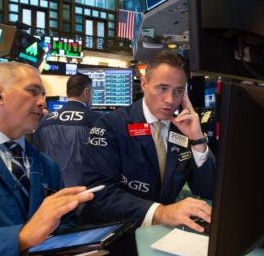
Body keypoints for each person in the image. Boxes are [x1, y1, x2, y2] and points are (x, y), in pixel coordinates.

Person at [0, 62, 95, 256]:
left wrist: (67, 251)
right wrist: (21, 238)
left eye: (43, 94)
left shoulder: (48, 166)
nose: (43, 102)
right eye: (33, 92)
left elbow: (65, 223)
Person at [80, 50, 216, 231]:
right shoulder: (111, 126)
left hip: (163, 236)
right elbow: (98, 194)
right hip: (119, 235)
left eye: (178, 91)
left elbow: (207, 190)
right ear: (144, 84)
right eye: (162, 88)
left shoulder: (183, 129)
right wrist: (162, 212)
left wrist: (198, 139)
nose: (170, 100)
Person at [34, 74, 101, 186]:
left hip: (52, 191)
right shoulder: (97, 120)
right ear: (86, 92)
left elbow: (36, 156)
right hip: (83, 193)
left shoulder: (45, 121)